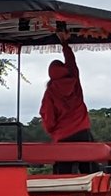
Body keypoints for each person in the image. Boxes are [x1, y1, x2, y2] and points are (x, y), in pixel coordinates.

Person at [40, 32, 95, 173]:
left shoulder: (50, 93)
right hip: (83, 132)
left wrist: (51, 130)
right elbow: (72, 62)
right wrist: (65, 45)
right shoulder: (74, 81)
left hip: (63, 136)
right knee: (91, 172)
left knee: (62, 175)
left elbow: (49, 119)